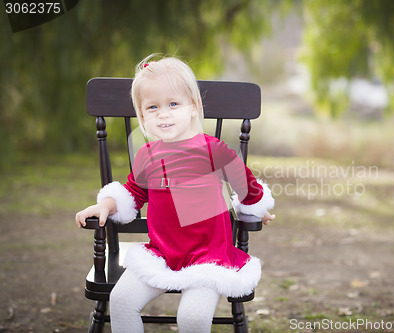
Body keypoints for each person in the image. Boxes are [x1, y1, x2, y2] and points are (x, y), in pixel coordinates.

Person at [75, 54, 275, 332]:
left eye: (173, 104)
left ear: (193, 108)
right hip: (162, 254)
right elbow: (134, 193)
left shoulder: (213, 149)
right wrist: (107, 204)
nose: (163, 113)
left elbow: (247, 186)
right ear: (143, 116)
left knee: (192, 318)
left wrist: (257, 208)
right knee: (120, 300)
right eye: (153, 107)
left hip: (208, 258)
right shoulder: (147, 155)